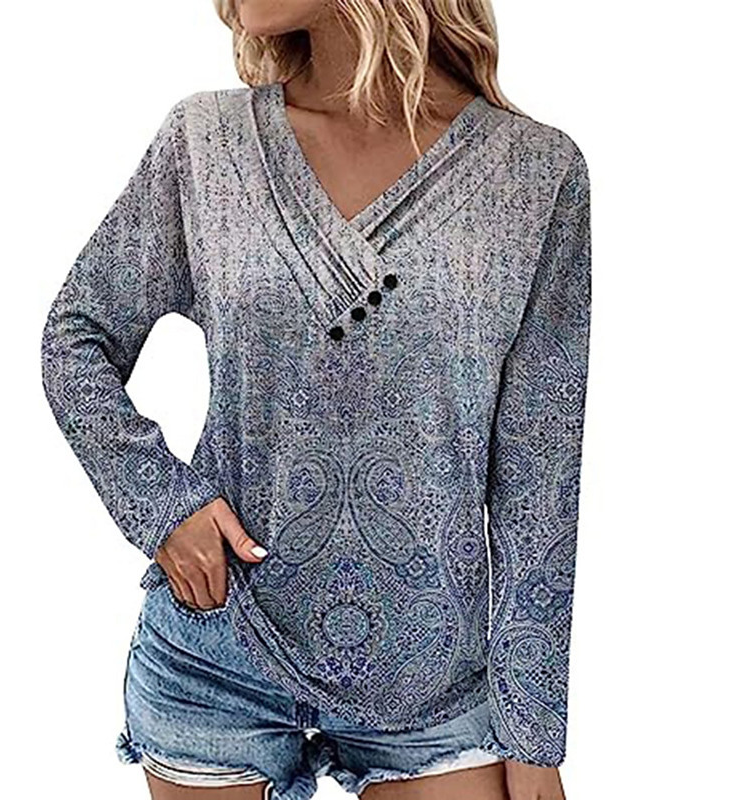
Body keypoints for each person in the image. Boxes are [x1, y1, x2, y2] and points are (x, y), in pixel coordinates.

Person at [40, 1, 592, 798]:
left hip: (435, 679)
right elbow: (77, 335)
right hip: (217, 650)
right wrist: (162, 505)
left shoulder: (534, 173)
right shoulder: (207, 144)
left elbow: (540, 477)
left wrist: (535, 731)